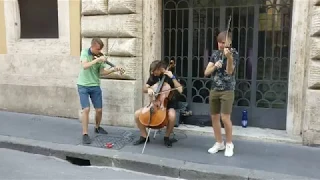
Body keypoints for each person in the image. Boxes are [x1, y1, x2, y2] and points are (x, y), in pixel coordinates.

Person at [77, 38, 123, 144]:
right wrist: (98, 60)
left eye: (100, 49)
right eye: (98, 49)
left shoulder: (99, 56)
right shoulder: (84, 52)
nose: (99, 51)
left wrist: (113, 69)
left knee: (99, 110)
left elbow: (102, 72)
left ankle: (97, 127)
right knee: (86, 109)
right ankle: (85, 134)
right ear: (92, 46)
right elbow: (85, 66)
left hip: (95, 85)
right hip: (83, 85)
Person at [204, 31, 239, 157]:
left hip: (227, 90)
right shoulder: (215, 54)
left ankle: (229, 144)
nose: (221, 45)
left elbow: (230, 72)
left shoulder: (234, 54)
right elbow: (206, 72)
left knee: (225, 118)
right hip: (214, 89)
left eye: (224, 42)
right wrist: (215, 66)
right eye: (219, 42)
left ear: (229, 42)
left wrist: (228, 57)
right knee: (214, 117)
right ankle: (219, 143)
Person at [133, 60, 183, 147]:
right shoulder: (153, 76)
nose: (152, 72)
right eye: (151, 71)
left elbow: (180, 90)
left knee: (172, 115)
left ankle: (167, 137)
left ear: (161, 69)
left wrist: (173, 77)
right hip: (155, 103)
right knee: (137, 114)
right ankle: (144, 136)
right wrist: (149, 89)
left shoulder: (171, 76)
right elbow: (144, 88)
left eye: (154, 70)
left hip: (168, 104)